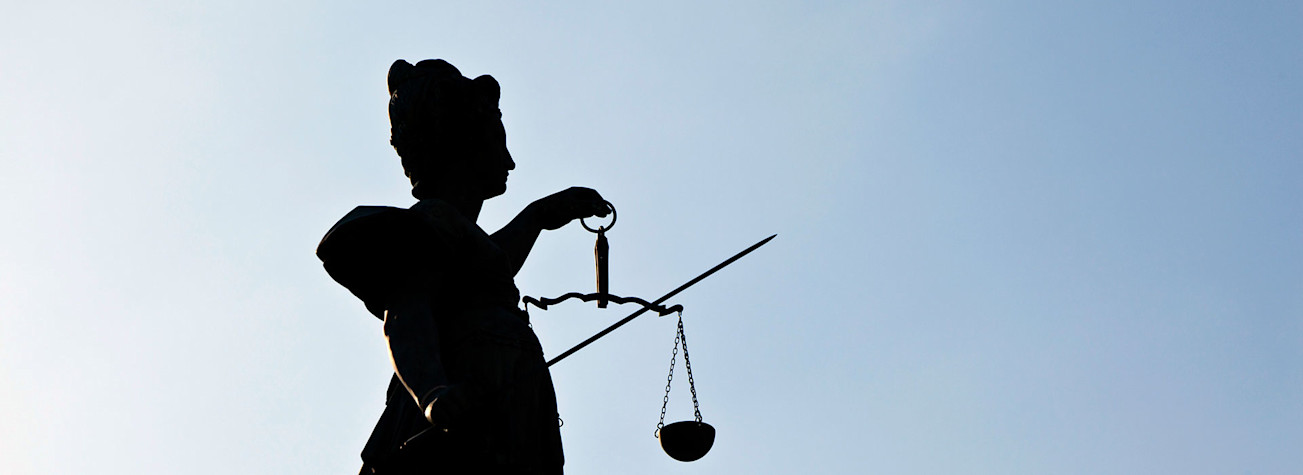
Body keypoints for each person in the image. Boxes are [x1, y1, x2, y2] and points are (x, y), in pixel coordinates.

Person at [317, 59, 609, 474]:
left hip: (505, 426)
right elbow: (406, 313)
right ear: (464, 140)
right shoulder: (431, 226)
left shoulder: (456, 240)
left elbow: (486, 264)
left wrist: (540, 215)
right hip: (459, 427)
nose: (509, 162)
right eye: (497, 141)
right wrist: (434, 393)